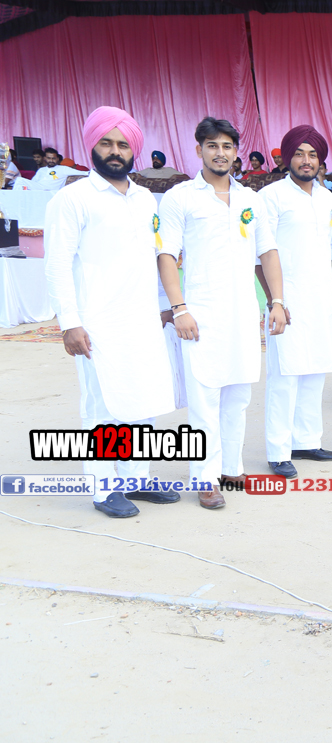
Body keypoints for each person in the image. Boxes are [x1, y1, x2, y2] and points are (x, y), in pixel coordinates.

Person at [44, 107, 178, 518]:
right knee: (102, 407)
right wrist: (70, 323)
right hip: (96, 322)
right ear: (92, 145)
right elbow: (57, 265)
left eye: (122, 144)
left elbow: (153, 257)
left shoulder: (144, 198)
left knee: (140, 401)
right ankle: (104, 489)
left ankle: (137, 478)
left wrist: (164, 306)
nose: (115, 151)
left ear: (134, 149)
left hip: (142, 318)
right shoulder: (72, 199)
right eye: (106, 143)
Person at [157, 117, 287, 509]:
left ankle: (231, 468)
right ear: (199, 150)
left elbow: (268, 252)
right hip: (200, 314)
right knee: (204, 399)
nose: (220, 153)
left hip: (243, 313)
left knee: (238, 395)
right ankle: (204, 477)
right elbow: (166, 255)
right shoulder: (180, 197)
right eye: (212, 145)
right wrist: (179, 308)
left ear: (236, 152)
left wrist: (277, 301)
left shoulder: (250, 199)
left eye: (227, 146)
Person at [255, 125, 332, 477]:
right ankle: (278, 450)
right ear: (287, 158)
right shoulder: (271, 196)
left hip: (319, 298)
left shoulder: (328, 198)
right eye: (299, 154)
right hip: (286, 300)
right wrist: (273, 300)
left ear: (320, 161)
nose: (306, 161)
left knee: (314, 370)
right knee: (285, 375)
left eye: (313, 155)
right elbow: (261, 253)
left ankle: (306, 441)